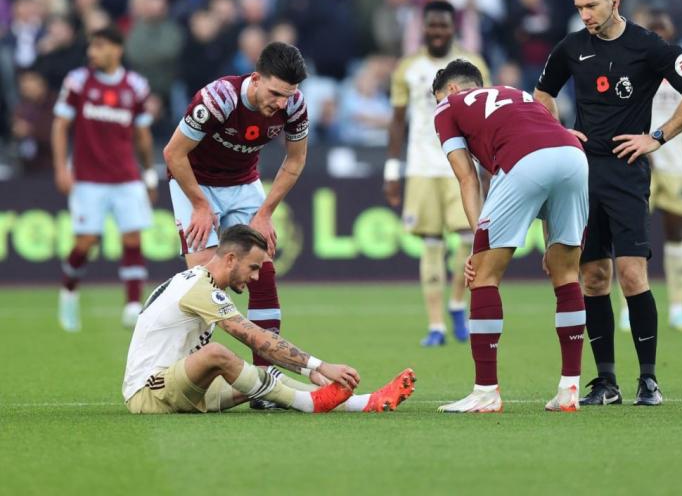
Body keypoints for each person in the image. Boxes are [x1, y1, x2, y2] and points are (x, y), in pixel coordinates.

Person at [533, 0, 682, 406]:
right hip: (581, 174)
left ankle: (649, 380)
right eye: (578, 8)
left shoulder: (648, 46)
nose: (585, 15)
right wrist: (559, 131)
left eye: (591, 6)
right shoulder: (571, 47)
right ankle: (606, 382)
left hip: (627, 172)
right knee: (593, 277)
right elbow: (541, 94)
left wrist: (657, 137)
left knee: (633, 274)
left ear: (614, 1)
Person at [123, 224, 415, 414]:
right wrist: (320, 365)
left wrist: (306, 372)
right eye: (252, 267)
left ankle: (364, 404)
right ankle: (307, 404)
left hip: (184, 386)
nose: (254, 277)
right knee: (217, 354)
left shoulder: (199, 282)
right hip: (150, 393)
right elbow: (259, 340)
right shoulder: (198, 288)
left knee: (264, 376)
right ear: (230, 260)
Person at [432, 59, 588, 413]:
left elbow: (468, 179)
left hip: (524, 161)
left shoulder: (447, 106)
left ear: (452, 90)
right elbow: (547, 144)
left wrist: (478, 245)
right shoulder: (516, 93)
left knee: (484, 276)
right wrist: (551, 241)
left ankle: (486, 392)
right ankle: (569, 389)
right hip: (573, 156)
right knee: (566, 275)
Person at [162, 41, 308, 407]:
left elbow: (294, 161)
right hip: (193, 182)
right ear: (256, 78)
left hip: (243, 184)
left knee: (264, 270)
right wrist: (199, 204)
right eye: (274, 93)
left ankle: (267, 380)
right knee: (206, 280)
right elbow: (173, 153)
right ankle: (192, 372)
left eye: (286, 96)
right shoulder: (218, 98)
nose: (279, 103)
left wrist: (265, 212)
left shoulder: (294, 105)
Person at [384, 0, 491, 347]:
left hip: (460, 165)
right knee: (430, 245)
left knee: (465, 238)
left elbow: (485, 117)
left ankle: (458, 303)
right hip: (420, 167)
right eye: (432, 25)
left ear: (452, 27)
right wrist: (392, 169)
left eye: (443, 25)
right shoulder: (407, 68)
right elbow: (398, 121)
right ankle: (436, 326)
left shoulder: (472, 65)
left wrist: (488, 167)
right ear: (423, 27)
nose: (437, 31)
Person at [52, 27, 158, 332]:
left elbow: (143, 135)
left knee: (132, 237)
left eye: (98, 46)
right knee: (86, 241)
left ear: (116, 49)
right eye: (91, 47)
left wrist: (149, 175)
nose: (92, 53)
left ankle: (133, 306)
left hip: (126, 176)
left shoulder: (136, 86)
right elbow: (60, 125)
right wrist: (62, 168)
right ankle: (69, 292)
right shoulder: (78, 81)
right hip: (88, 178)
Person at [620, 11, 682, 333]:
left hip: (676, 165)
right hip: (638, 162)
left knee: (677, 232)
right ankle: (629, 307)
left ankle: (678, 308)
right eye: (651, 31)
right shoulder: (631, 67)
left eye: (663, 32)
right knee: (632, 236)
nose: (657, 37)